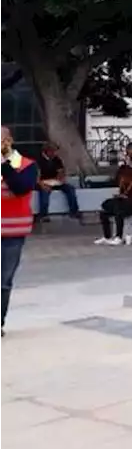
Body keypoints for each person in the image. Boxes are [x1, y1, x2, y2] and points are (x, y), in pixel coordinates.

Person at [0, 126, 38, 337]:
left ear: (9, 141)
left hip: (12, 232)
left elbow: (21, 187)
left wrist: (5, 165)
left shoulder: (26, 165)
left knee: (3, 282)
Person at [100, 165, 132, 245]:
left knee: (118, 211)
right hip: (124, 204)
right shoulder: (123, 182)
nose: (122, 178)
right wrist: (121, 196)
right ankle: (107, 236)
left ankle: (119, 237)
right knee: (104, 212)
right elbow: (123, 194)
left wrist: (127, 198)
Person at [35, 143, 80, 223]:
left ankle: (74, 211)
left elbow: (61, 171)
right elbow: (36, 177)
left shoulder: (56, 159)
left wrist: (61, 179)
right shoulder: (39, 160)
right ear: (47, 151)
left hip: (54, 181)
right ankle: (43, 215)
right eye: (52, 151)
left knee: (70, 189)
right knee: (45, 193)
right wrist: (43, 185)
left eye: (55, 151)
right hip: (43, 182)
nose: (54, 153)